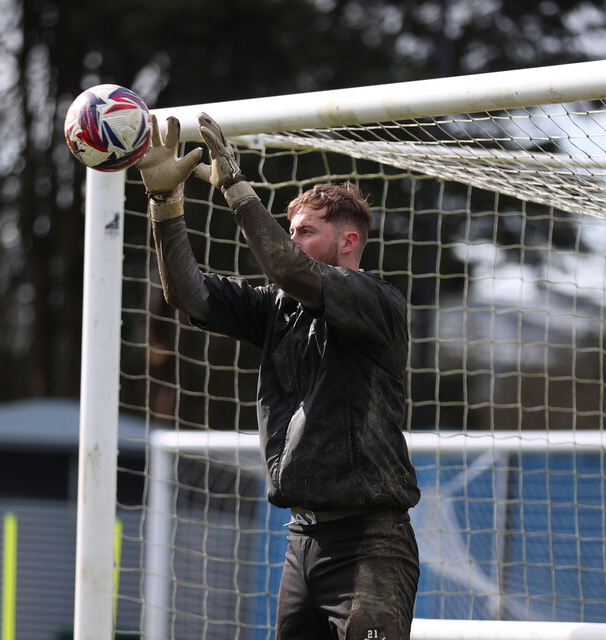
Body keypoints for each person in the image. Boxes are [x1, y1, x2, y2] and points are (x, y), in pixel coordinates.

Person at [137, 112, 421, 640]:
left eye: (305, 232)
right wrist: (165, 205)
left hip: (371, 546)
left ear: (349, 241)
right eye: (289, 231)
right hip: (302, 543)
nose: (291, 241)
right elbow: (187, 293)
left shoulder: (376, 301)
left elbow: (287, 267)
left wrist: (238, 190)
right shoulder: (277, 308)